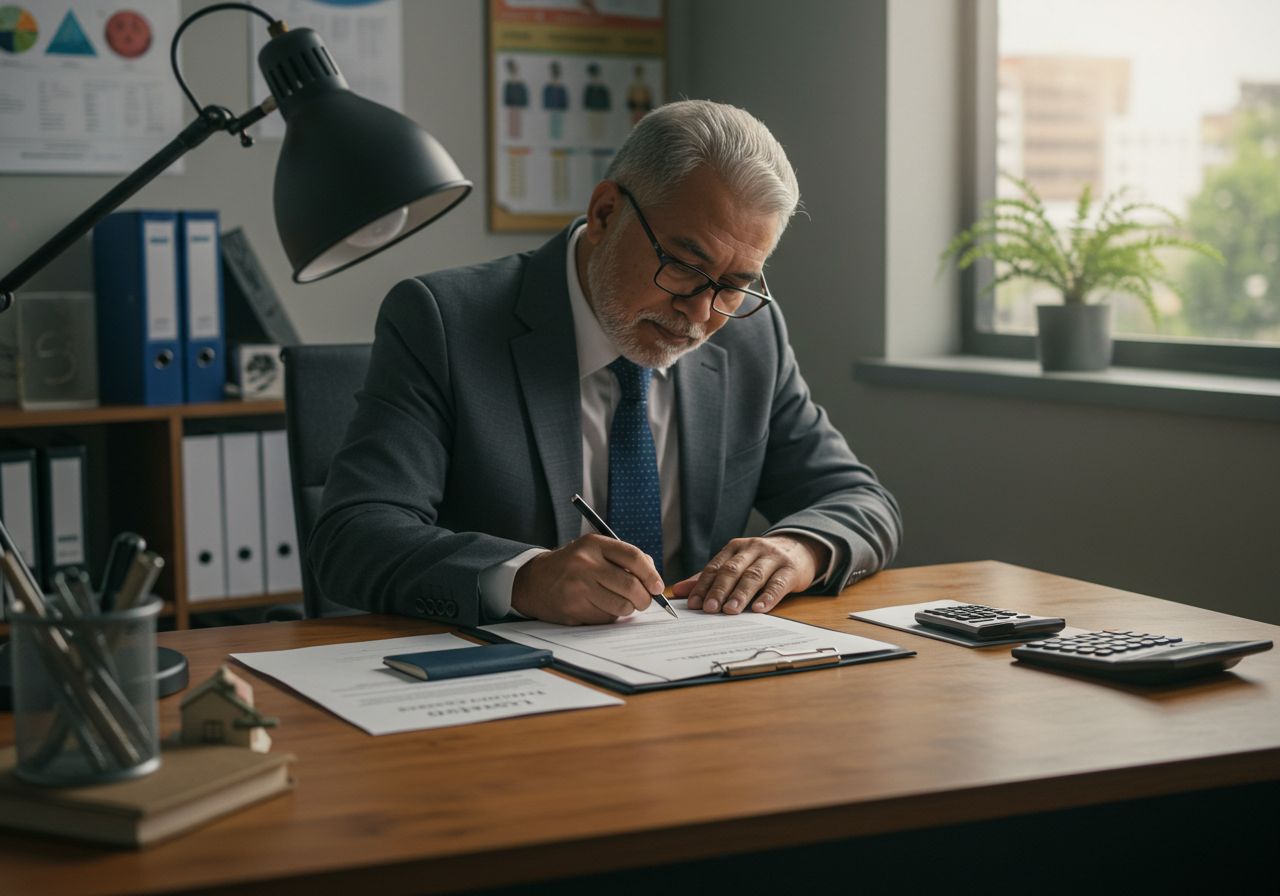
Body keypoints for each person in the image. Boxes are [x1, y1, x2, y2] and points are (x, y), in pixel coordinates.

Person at [311, 100, 902, 627]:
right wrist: (524, 578)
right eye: (682, 266)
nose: (699, 313)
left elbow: (861, 500)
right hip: (507, 694)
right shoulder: (444, 321)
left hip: (694, 685)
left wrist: (798, 550)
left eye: (733, 286)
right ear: (603, 213)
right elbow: (352, 539)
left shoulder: (750, 337)